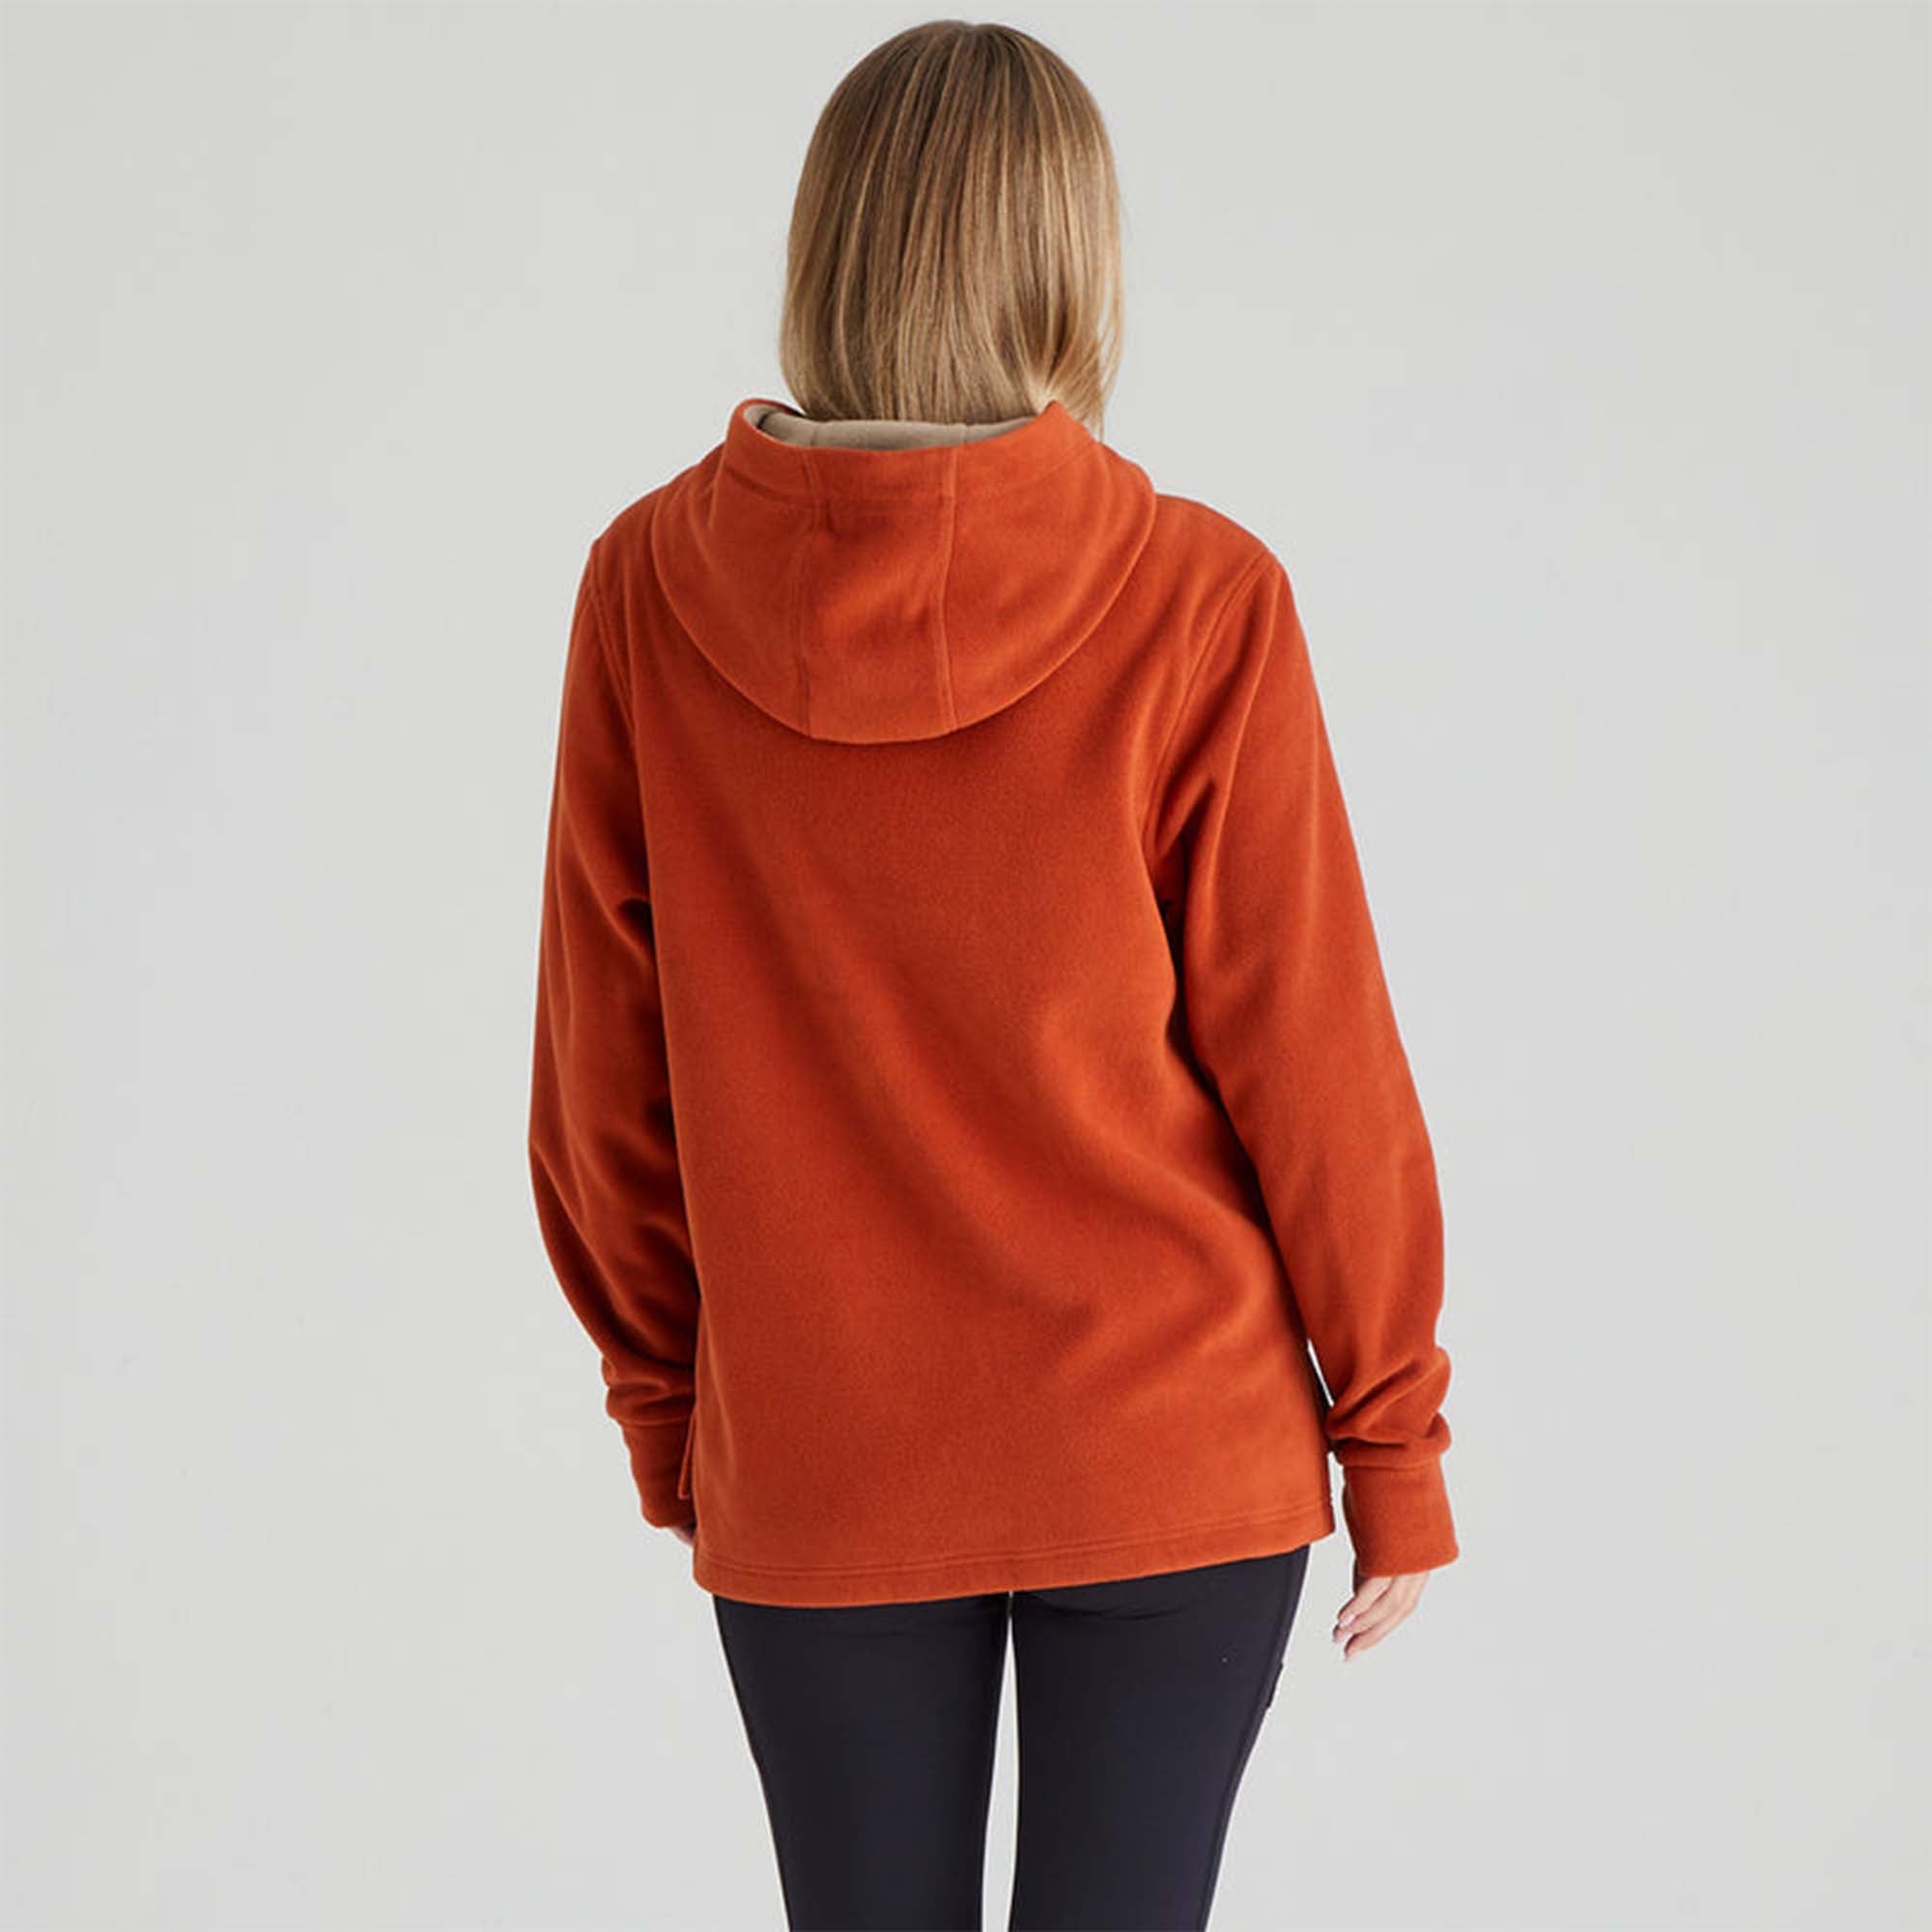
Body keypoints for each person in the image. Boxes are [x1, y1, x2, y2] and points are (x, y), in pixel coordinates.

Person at [526, 18, 1460, 1930]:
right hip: (1168, 1439)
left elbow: (601, 1074)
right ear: (1072, 259)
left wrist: (671, 1403)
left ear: (831, 248)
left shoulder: (644, 587)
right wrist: (1393, 1438)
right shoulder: (1196, 592)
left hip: (823, 1450)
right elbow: (1314, 1062)